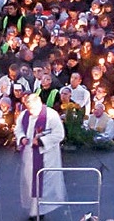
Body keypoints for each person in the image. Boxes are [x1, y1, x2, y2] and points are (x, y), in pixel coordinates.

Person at [16, 92, 66, 220]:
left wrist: (41, 141)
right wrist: (22, 138)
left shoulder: (51, 116)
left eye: (33, 109)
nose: (31, 112)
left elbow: (59, 134)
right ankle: (33, 210)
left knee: (42, 184)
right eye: (29, 109)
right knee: (30, 182)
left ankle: (39, 211)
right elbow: (18, 128)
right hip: (29, 155)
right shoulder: (24, 115)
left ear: (39, 104)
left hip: (46, 156)